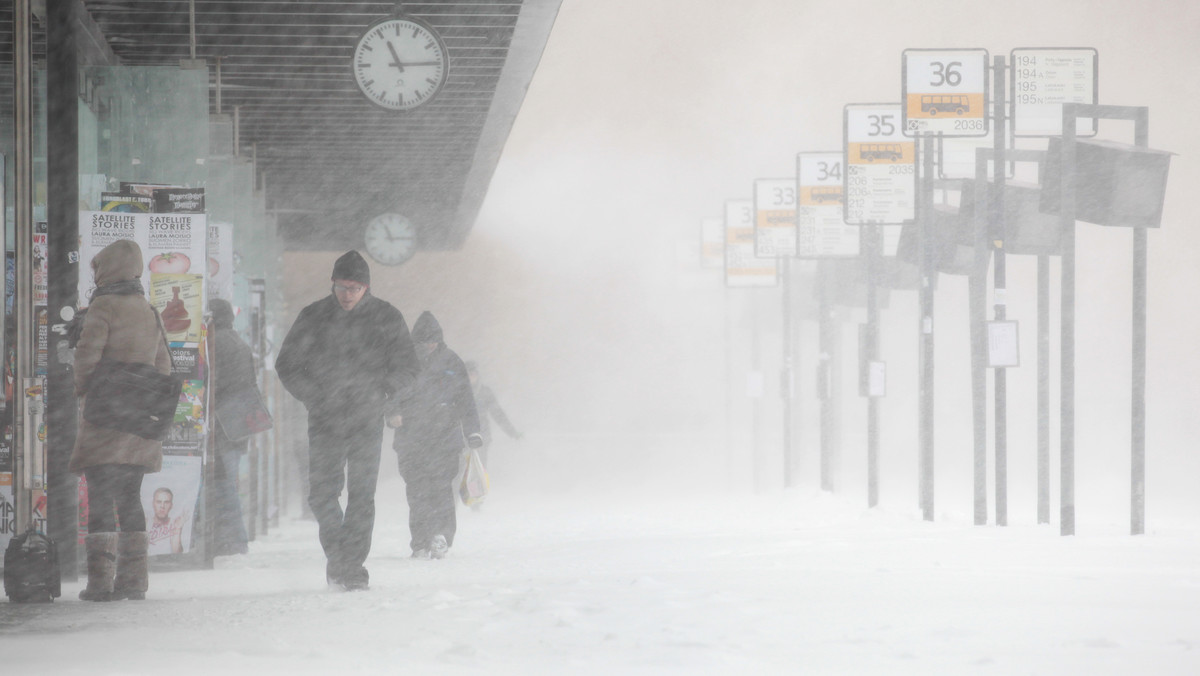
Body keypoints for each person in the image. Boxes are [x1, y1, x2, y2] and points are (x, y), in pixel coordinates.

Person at [275, 250, 419, 590]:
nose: (347, 294)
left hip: (366, 419)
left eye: (354, 288)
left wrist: (383, 391)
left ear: (366, 288)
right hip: (325, 418)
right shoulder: (313, 316)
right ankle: (341, 558)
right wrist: (314, 395)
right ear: (333, 284)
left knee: (361, 495)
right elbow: (287, 365)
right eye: (341, 286)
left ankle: (350, 566)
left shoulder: (386, 317)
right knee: (322, 494)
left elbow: (409, 367)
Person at [71, 239, 171, 601]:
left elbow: (86, 358)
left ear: (107, 268)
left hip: (105, 418)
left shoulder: (103, 307)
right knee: (130, 497)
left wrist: (84, 392)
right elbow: (163, 368)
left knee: (99, 495)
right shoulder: (149, 311)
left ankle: (100, 583)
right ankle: (134, 580)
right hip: (138, 422)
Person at [394, 312, 482, 559]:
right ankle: (420, 541)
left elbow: (466, 401)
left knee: (442, 489)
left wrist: (473, 431)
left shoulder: (452, 362)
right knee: (417, 491)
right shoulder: (403, 362)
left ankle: (441, 536)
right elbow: (390, 393)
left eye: (432, 340)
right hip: (412, 440)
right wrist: (392, 412)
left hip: (443, 439)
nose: (428, 346)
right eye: (424, 341)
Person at [208, 298, 254, 556]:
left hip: (221, 423)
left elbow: (216, 384)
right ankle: (233, 539)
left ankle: (233, 540)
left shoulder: (216, 343)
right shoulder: (238, 342)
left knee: (223, 484)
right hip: (236, 424)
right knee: (227, 482)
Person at [464, 361, 522, 470]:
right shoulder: (458, 392)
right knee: (462, 469)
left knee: (480, 467)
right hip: (462, 437)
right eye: (467, 375)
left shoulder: (485, 392)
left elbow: (498, 414)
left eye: (472, 374)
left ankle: (480, 486)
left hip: (482, 436)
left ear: (477, 375)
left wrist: (512, 432)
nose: (470, 377)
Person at [146, 487, 185, 555]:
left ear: (171, 505)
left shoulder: (175, 524)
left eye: (166, 502)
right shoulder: (146, 523)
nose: (162, 506)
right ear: (153, 504)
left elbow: (177, 553)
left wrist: (178, 530)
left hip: (168, 563)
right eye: (159, 502)